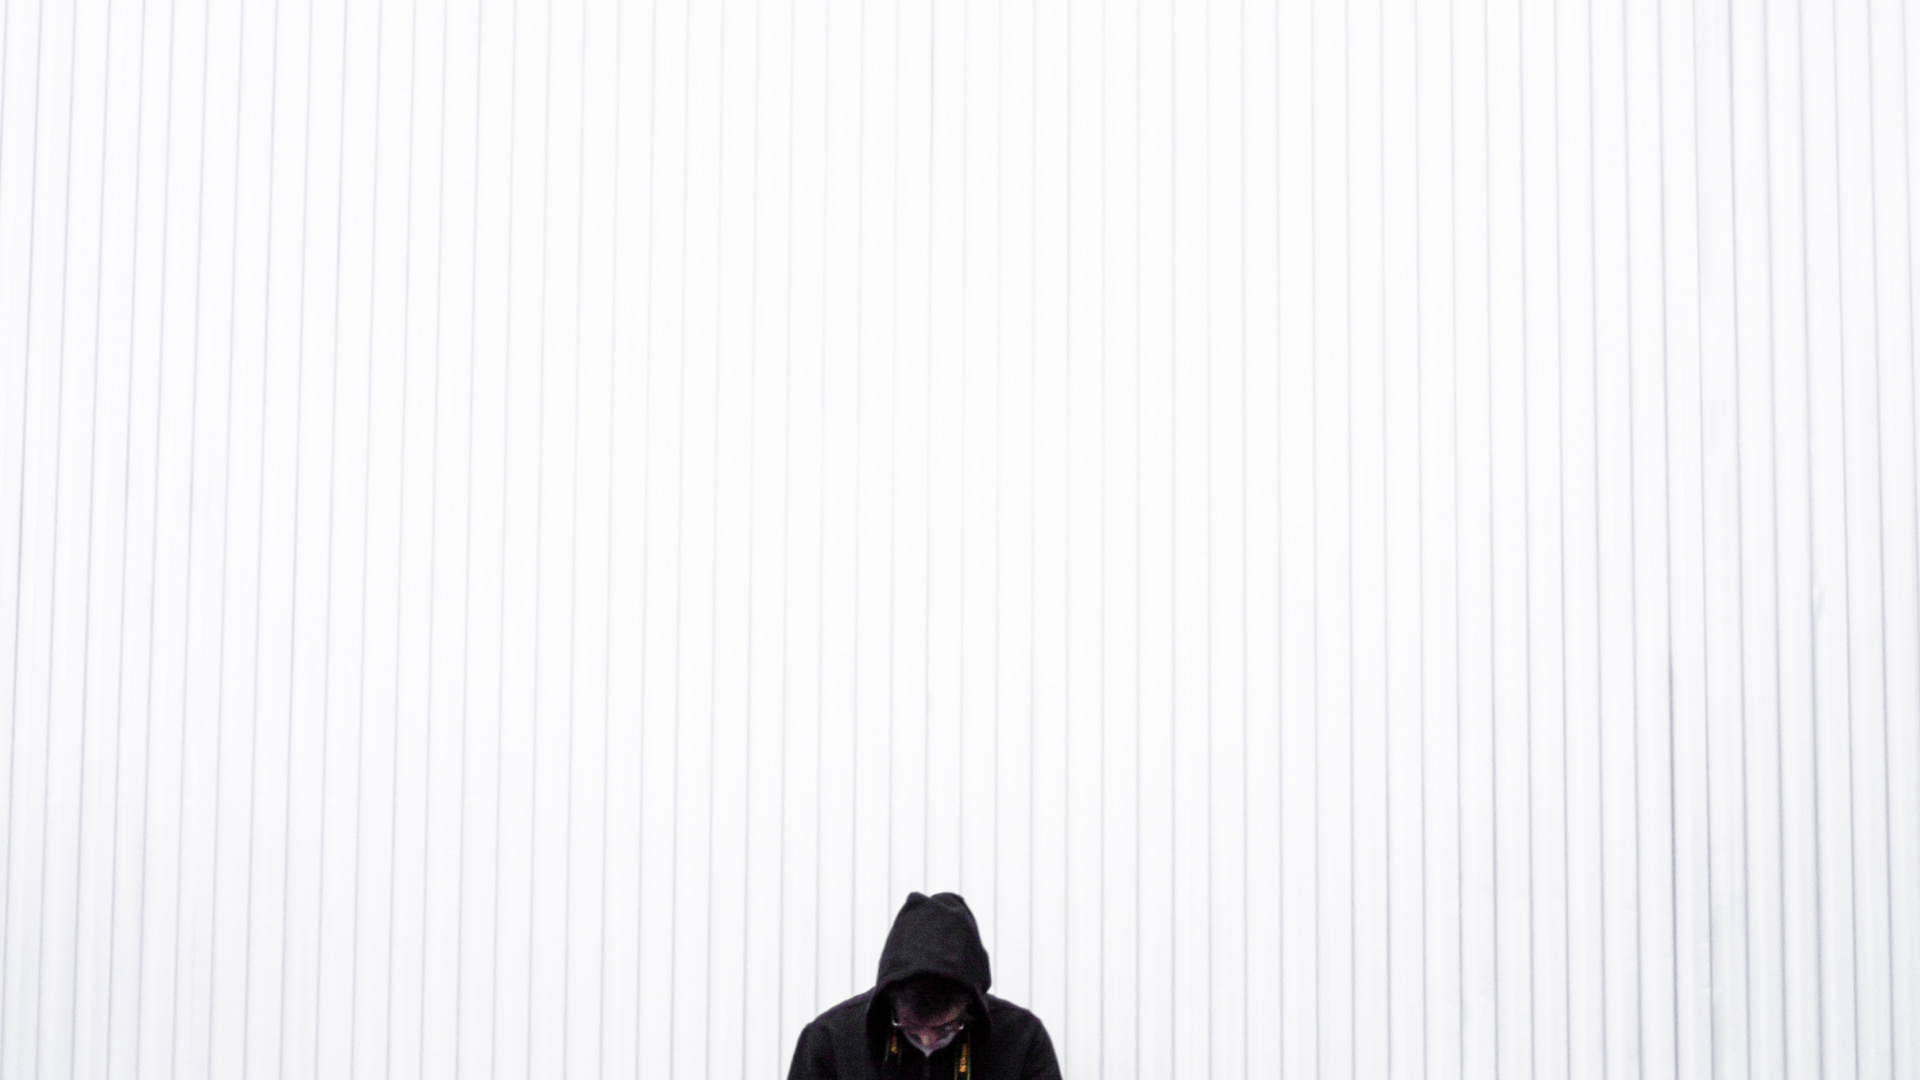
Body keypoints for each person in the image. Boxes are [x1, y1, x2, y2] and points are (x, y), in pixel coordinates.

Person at [786, 892, 1062, 1080]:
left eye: (945, 1029)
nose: (929, 1040)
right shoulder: (831, 1041)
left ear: (971, 1004)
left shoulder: (1021, 1040)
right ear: (889, 1004)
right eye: (910, 1029)